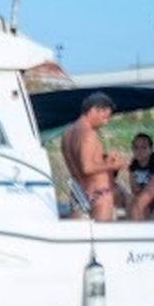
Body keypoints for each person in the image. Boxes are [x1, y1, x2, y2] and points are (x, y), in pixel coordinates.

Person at [59, 91, 126, 221]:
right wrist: (113, 165)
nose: (105, 122)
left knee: (79, 239)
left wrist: (105, 160)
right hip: (98, 194)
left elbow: (80, 162)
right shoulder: (88, 134)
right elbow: (87, 167)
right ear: (94, 110)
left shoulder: (67, 133)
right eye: (105, 117)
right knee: (102, 239)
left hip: (79, 193)